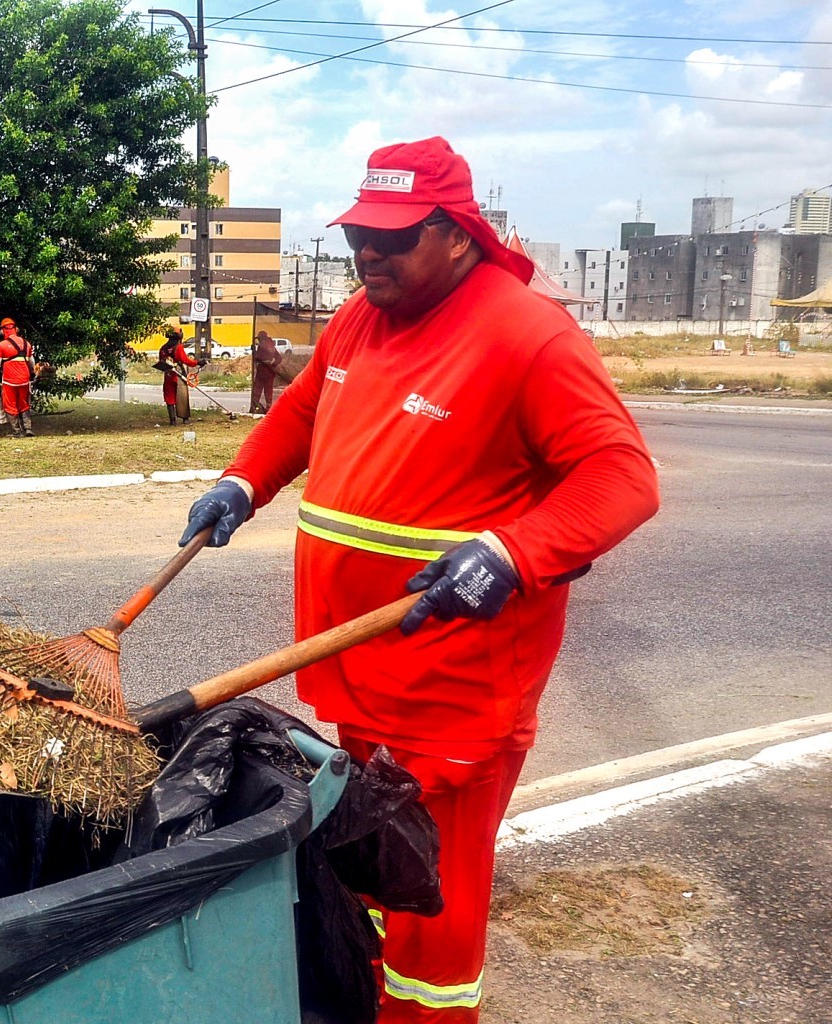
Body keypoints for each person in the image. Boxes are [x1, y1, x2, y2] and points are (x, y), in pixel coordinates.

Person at [178, 136, 660, 1023]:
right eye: (362, 232)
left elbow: (622, 477)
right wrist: (245, 479)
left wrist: (513, 552)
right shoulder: (363, 316)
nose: (369, 253)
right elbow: (301, 412)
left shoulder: (526, 332)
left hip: (454, 686)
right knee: (366, 855)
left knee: (432, 888)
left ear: (457, 234)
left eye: (394, 238)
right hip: (361, 668)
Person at [0, 316, 36, 437]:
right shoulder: (27, 344)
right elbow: (32, 364)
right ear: (16, 329)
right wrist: (32, 375)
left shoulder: (1, 346)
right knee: (24, 403)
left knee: (10, 405)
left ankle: (17, 431)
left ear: (2, 331)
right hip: (25, 380)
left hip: (9, 381)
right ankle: (28, 428)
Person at [156, 325, 206, 425]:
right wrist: (198, 362)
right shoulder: (178, 348)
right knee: (182, 396)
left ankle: (172, 420)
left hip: (168, 375)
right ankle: (185, 419)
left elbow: (161, 361)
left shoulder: (163, 348)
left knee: (169, 397)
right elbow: (186, 360)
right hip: (178, 375)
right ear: (179, 336)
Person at [249, 330, 283, 414]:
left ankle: (255, 406)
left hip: (262, 372)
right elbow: (279, 358)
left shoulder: (262, 346)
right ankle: (269, 408)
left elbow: (258, 357)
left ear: (262, 338)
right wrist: (273, 363)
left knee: (257, 389)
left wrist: (254, 351)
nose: (259, 340)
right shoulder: (271, 346)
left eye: (259, 338)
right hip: (270, 373)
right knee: (268, 391)